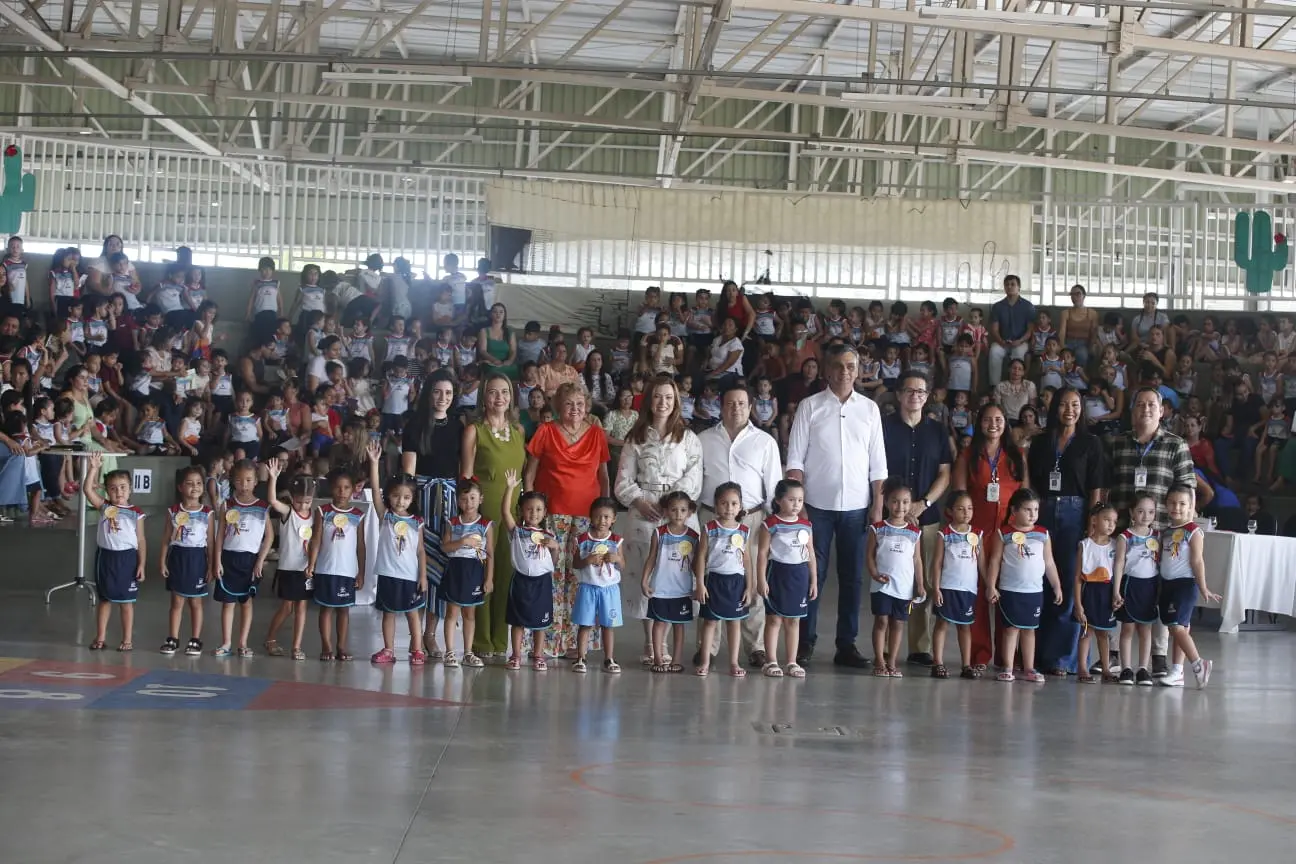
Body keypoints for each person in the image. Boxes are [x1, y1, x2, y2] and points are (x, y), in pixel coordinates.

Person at [785, 343, 887, 668]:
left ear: (858, 371)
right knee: (811, 575)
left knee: (852, 578)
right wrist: (797, 504)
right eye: (839, 367)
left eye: (851, 367)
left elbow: (878, 463)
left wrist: (878, 503)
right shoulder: (809, 406)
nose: (845, 372)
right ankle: (805, 642)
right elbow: (795, 459)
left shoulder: (870, 409)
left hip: (857, 507)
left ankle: (847, 644)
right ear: (827, 371)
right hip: (815, 506)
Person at [1106, 386, 1195, 677]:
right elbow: (1106, 486)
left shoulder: (1175, 444)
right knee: (1122, 588)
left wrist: (1185, 526)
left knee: (1157, 592)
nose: (1146, 409)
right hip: (1125, 531)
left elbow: (1188, 487)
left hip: (1162, 534)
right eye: (1140, 404)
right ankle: (1116, 655)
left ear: (1162, 411)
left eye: (1151, 405)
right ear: (1132, 411)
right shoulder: (1117, 443)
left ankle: (1157, 656)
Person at [615, 375, 702, 665]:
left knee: (674, 576)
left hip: (678, 515)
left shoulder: (688, 438)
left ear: (676, 400)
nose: (663, 402)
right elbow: (623, 480)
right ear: (648, 400)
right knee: (647, 575)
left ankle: (665, 641)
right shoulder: (635, 438)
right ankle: (650, 642)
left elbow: (694, 476)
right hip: (644, 513)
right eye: (657, 397)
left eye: (668, 397)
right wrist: (640, 500)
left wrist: (675, 504)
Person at [696, 385, 781, 668]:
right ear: (721, 406)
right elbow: (697, 481)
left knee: (751, 581)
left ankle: (755, 646)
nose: (736, 408)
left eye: (742, 403)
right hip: (711, 518)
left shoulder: (765, 441)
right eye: (730, 403)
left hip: (752, 519)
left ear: (751, 406)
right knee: (712, 580)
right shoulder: (703, 439)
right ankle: (709, 647)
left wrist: (773, 523)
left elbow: (773, 486)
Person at [526, 382, 611, 657]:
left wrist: (607, 512)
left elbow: (604, 476)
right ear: (558, 407)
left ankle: (577, 642)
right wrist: (529, 511)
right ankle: (548, 641)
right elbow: (530, 473)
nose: (574, 409)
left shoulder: (597, 433)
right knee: (550, 574)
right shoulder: (546, 431)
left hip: (588, 516)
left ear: (587, 406)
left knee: (581, 576)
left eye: (579, 403)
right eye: (568, 404)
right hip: (552, 513)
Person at [1029, 386, 1106, 677]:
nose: (1069, 410)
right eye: (1063, 404)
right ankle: (1034, 655)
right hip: (1044, 510)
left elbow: (1096, 485)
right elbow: (1033, 483)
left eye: (1075, 405)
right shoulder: (1041, 442)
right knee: (1041, 580)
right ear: (1054, 408)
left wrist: (1093, 522)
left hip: (1076, 513)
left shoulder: (1091, 442)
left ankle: (1062, 658)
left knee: (1070, 582)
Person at [881, 369, 951, 666]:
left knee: (924, 581)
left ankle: (919, 646)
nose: (915, 396)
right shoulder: (883, 428)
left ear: (927, 396)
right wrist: (891, 506)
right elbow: (875, 471)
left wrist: (923, 503)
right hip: (889, 519)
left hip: (927, 515)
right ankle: (885, 647)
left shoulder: (937, 431)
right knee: (888, 579)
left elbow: (945, 474)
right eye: (909, 391)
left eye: (921, 392)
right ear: (899, 395)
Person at [460, 372, 528, 657]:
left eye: (504, 392)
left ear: (511, 397)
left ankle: (501, 639)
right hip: (484, 510)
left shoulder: (519, 431)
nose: (499, 397)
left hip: (512, 510)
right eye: (492, 392)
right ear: (483, 397)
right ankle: (481, 639)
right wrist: (469, 514)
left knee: (507, 573)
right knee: (482, 571)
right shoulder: (474, 430)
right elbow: (465, 475)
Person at [401, 371, 463, 659]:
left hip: (449, 500)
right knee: (421, 565)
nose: (443, 398)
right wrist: (409, 509)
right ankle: (415, 634)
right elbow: (408, 473)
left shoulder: (459, 426)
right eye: (438, 392)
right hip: (423, 498)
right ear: (428, 393)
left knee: (444, 564)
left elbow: (462, 467)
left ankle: (431, 632)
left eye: (448, 393)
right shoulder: (414, 424)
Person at [986, 488, 1063, 683]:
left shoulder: (1043, 534)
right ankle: (1008, 667)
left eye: (1035, 510)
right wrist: (991, 585)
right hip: (1010, 590)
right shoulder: (1003, 533)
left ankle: (1029, 668)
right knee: (1011, 629)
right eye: (1027, 510)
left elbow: (1049, 562)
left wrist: (1057, 586)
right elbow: (994, 561)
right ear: (1014, 510)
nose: (1032, 514)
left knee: (1030, 630)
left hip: (1034, 591)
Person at [365, 446, 429, 666]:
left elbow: (420, 551)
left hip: (410, 576)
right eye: (396, 496)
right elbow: (374, 491)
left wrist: (423, 576)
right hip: (388, 573)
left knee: (413, 614)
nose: (400, 501)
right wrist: (374, 463)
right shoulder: (386, 516)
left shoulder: (417, 522)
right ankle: (388, 649)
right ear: (389, 497)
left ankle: (418, 650)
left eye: (406, 497)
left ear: (412, 499)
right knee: (388, 613)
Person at [1157, 485, 1221, 688]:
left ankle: (1198, 663)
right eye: (1172, 503)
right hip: (1166, 584)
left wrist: (1203, 587)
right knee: (1178, 628)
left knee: (1176, 626)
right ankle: (1177, 672)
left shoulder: (1194, 531)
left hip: (1184, 584)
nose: (1177, 507)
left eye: (1182, 503)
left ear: (1191, 506)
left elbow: (1197, 561)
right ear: (1166, 505)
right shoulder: (1166, 532)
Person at [83, 454, 145, 651]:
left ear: (130, 489)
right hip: (105, 558)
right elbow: (87, 490)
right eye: (113, 488)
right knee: (105, 600)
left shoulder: (136, 512)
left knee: (127, 602)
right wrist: (93, 467)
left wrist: (142, 564)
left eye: (123, 487)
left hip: (127, 559)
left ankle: (127, 640)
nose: (118, 491)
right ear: (107, 490)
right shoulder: (104, 507)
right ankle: (100, 638)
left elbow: (141, 539)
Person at [212, 460, 272, 658]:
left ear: (255, 482)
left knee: (246, 602)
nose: (244, 484)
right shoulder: (227, 505)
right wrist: (217, 560)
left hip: (250, 561)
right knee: (228, 602)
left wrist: (260, 560)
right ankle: (226, 642)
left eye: (248, 480)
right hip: (229, 558)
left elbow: (269, 536)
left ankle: (243, 643)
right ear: (233, 482)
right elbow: (220, 534)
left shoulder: (263, 507)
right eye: (239, 480)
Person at [757, 478, 816, 678]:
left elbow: (811, 555)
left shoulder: (806, 525)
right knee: (774, 619)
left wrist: (813, 580)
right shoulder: (770, 524)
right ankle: (771, 661)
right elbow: (763, 554)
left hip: (799, 577)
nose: (796, 504)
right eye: (791, 500)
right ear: (779, 500)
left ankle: (791, 661)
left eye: (800, 500)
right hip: (777, 575)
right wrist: (761, 580)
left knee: (794, 621)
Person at [307, 468, 367, 661]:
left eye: (346, 488)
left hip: (347, 570)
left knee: (344, 609)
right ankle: (326, 645)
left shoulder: (358, 514)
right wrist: (311, 564)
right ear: (331, 489)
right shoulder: (322, 511)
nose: (342, 492)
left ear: (353, 490)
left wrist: (361, 572)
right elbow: (315, 539)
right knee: (326, 608)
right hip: (326, 568)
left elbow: (360, 546)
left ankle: (341, 646)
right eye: (338, 487)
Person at [500, 470, 558, 671]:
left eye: (539, 509)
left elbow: (554, 562)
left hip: (542, 582)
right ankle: (516, 655)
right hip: (521, 582)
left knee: (540, 623)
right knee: (518, 621)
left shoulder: (549, 534)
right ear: (522, 511)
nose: (534, 513)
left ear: (545, 513)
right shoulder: (517, 532)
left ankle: (538, 654)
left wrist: (555, 547)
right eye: (529, 509)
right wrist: (509, 489)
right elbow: (505, 513)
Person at [694, 482, 754, 678]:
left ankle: (734, 662)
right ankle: (705, 660)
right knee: (710, 623)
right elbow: (701, 556)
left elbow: (747, 560)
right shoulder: (709, 528)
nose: (729, 508)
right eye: (724, 503)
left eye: (734, 504)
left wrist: (749, 586)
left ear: (740, 506)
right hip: (714, 581)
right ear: (716, 505)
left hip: (736, 582)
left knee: (734, 623)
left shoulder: (744, 530)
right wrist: (700, 583)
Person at [867, 482, 925, 678]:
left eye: (905, 502)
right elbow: (869, 555)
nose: (900, 507)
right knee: (881, 621)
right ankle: (880, 660)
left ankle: (892, 661)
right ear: (886, 503)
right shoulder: (878, 529)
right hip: (881, 585)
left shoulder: (915, 532)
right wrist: (874, 573)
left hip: (904, 587)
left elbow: (917, 560)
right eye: (895, 502)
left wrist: (920, 584)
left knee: (898, 623)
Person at [639, 490, 699, 674]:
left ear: (689, 512)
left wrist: (699, 585)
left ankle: (677, 660)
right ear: (666, 511)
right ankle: (657, 658)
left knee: (679, 625)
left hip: (682, 590)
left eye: (683, 510)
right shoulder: (659, 533)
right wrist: (644, 581)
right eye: (673, 510)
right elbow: (651, 558)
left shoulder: (694, 536)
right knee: (659, 623)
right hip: (660, 589)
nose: (678, 514)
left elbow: (697, 563)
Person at [261, 465, 315, 661]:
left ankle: (296, 646)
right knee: (287, 607)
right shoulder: (288, 512)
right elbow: (273, 500)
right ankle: (270, 638)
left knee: (301, 607)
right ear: (292, 499)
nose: (303, 506)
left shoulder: (313, 516)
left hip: (305, 569)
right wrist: (273, 478)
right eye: (299, 502)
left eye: (307, 502)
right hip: (288, 568)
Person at [159, 466, 213, 657]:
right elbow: (166, 537)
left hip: (197, 558)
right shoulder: (173, 511)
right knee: (177, 601)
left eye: (198, 483)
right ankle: (172, 638)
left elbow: (211, 542)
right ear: (180, 487)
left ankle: (195, 639)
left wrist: (212, 565)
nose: (194, 487)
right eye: (189, 483)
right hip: (177, 557)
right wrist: (162, 561)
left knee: (196, 603)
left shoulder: (207, 512)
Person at [440, 478, 494, 669]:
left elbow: (490, 554)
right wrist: (462, 542)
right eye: (464, 499)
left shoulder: (486, 524)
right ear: (457, 502)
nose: (468, 503)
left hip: (475, 571)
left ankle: (468, 652)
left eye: (472, 498)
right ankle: (449, 652)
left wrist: (489, 579)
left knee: (470, 614)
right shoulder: (452, 522)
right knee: (452, 613)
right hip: (456, 570)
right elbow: (445, 547)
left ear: (481, 499)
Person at [930, 491, 984, 680]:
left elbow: (982, 563)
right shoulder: (944, 534)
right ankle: (938, 663)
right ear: (950, 511)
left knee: (965, 626)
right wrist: (936, 588)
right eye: (960, 509)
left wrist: (990, 585)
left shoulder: (977, 534)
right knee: (942, 623)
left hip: (968, 589)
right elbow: (936, 563)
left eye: (969, 508)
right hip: (947, 587)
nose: (966, 512)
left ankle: (966, 665)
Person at [571, 496, 625, 674]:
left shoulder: (616, 540)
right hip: (588, 587)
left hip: (609, 589)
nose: (602, 521)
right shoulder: (583, 539)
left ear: (614, 519)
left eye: (607, 517)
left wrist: (616, 558)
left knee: (608, 625)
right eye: (598, 516)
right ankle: (581, 657)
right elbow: (576, 564)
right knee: (585, 624)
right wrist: (588, 560)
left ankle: (609, 658)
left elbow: (622, 565)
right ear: (591, 517)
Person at [1113, 493, 1159, 686]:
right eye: (1140, 511)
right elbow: (1119, 563)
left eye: (1150, 512)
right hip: (1129, 584)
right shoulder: (1125, 537)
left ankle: (1142, 668)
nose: (1146, 516)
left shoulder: (1157, 536)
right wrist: (1116, 590)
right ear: (1132, 512)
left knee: (1146, 629)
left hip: (1150, 586)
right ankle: (1126, 668)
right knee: (1127, 628)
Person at [1073, 503, 1120, 683]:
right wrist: (1078, 605)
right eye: (1106, 520)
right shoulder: (1085, 545)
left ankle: (1106, 669)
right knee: (1086, 631)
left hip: (1107, 591)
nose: (1110, 525)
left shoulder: (1116, 545)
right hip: (1089, 590)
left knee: (1103, 633)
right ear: (1094, 520)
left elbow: (1118, 572)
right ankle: (1082, 668)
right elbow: (1078, 577)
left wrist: (1117, 595)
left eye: (1114, 522)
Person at [988, 274, 1036, 387]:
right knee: (994, 351)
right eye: (1007, 284)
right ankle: (994, 387)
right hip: (1002, 342)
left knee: (1018, 352)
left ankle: (1017, 385)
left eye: (1013, 284)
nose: (1009, 287)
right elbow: (994, 330)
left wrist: (1019, 341)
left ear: (1019, 287)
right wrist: (1001, 342)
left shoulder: (1028, 306)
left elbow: (1030, 330)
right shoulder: (997, 307)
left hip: (1020, 342)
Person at [1057, 284, 1098, 369]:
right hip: (1069, 342)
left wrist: (1091, 345)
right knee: (1064, 355)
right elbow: (1062, 332)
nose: (1075, 297)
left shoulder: (1092, 313)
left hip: (1084, 343)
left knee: (1081, 354)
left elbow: (1094, 332)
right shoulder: (1065, 313)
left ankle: (1080, 378)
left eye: (1078, 294)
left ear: (1084, 296)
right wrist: (1062, 346)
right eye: (1072, 294)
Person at [477, 303, 518, 380]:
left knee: (515, 369)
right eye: (495, 312)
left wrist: (509, 361)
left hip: (506, 363)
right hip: (490, 363)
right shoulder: (484, 331)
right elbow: (482, 351)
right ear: (491, 314)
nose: (498, 314)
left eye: (501, 312)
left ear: (505, 315)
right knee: (494, 371)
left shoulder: (510, 331)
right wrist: (494, 360)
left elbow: (513, 350)